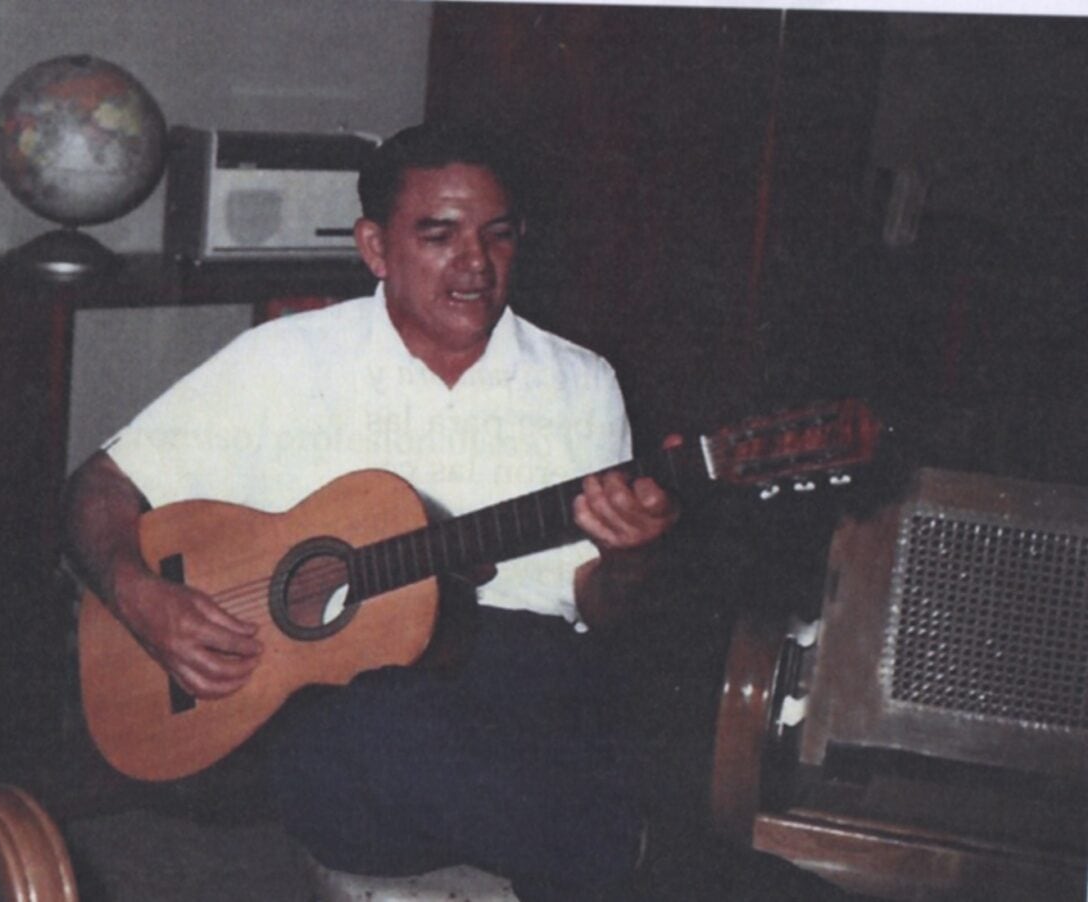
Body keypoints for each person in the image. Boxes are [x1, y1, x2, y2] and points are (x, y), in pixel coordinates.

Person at [62, 123, 847, 900]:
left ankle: (595, 854)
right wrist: (140, 596)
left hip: (522, 681)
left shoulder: (579, 382)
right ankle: (665, 868)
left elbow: (600, 609)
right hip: (335, 722)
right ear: (375, 248)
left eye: (497, 237)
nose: (475, 264)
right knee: (367, 722)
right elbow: (99, 486)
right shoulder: (283, 362)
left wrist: (632, 555)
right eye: (439, 237)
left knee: (500, 736)